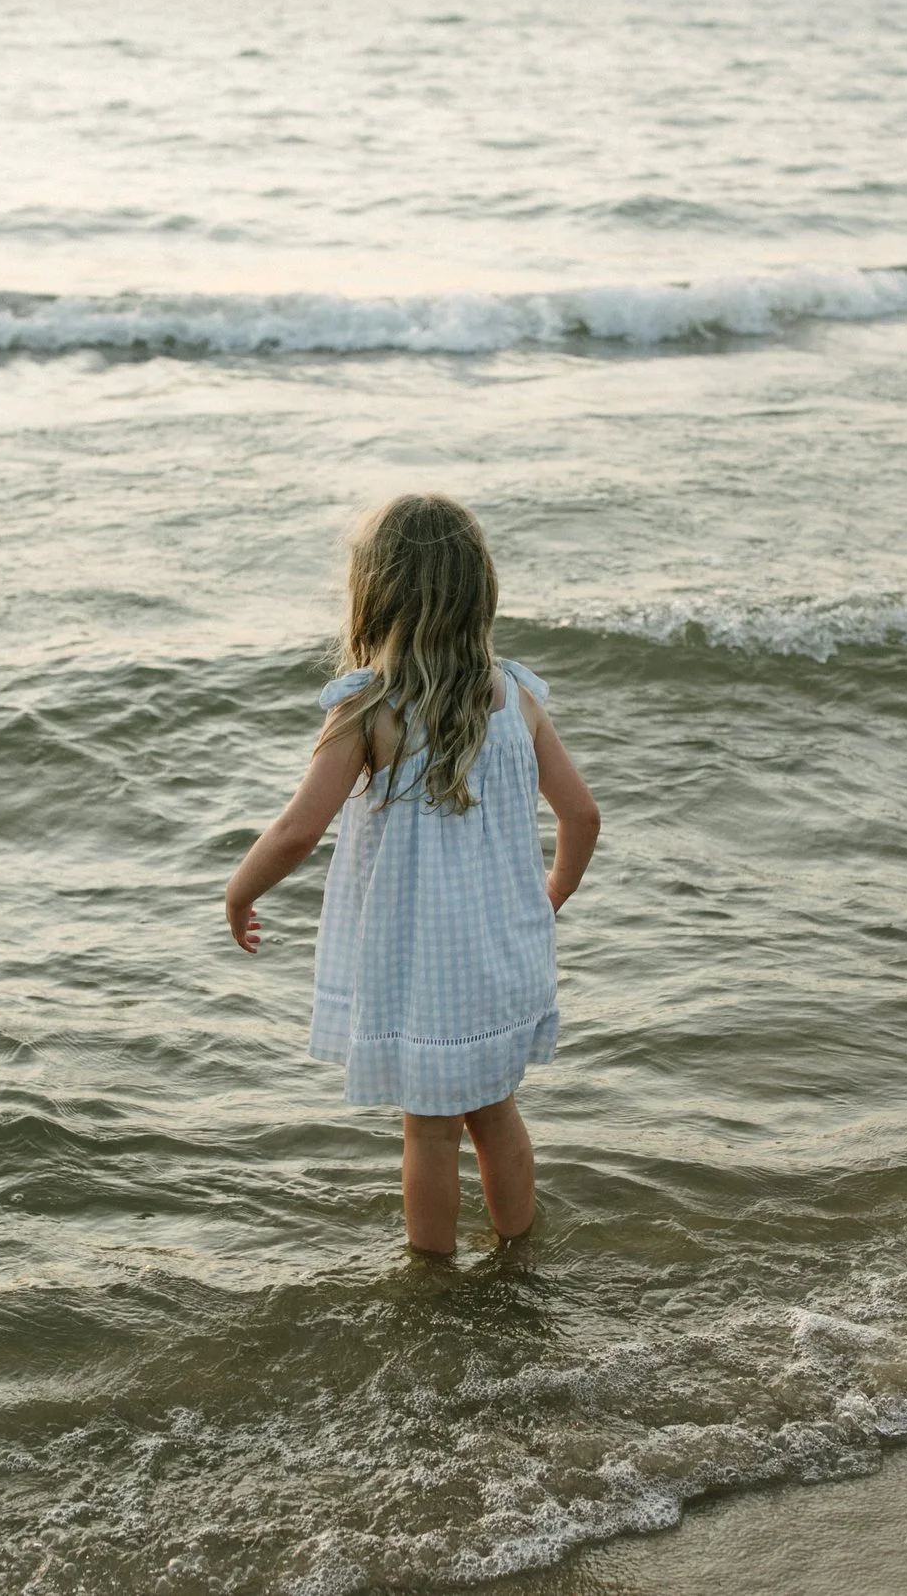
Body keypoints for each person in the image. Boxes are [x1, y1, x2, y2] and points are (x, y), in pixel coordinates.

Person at [225, 494, 599, 1257]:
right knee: (497, 1112)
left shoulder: (369, 709)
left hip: (428, 967)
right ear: (478, 593)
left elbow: (298, 830)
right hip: (504, 958)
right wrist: (550, 893)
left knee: (427, 1129)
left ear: (375, 595)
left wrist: (240, 890)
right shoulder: (517, 698)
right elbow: (582, 817)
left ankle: (431, 1284)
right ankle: (518, 1256)